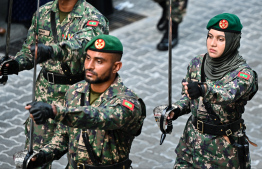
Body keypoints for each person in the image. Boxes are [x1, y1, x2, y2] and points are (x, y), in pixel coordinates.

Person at [0, 0, 109, 168]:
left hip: (80, 97)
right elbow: (31, 51)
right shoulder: (42, 13)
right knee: (35, 158)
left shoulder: (93, 18)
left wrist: (50, 51)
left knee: (82, 159)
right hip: (45, 95)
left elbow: (80, 46)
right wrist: (15, 64)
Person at [25, 34, 146, 169]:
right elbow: (63, 136)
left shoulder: (128, 103)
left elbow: (98, 117)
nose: (89, 66)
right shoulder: (75, 91)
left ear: (116, 67)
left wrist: (54, 111)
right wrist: (42, 156)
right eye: (88, 58)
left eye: (99, 61)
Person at [153, 13, 258, 168]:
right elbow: (189, 98)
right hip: (190, 145)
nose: (212, 43)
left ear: (232, 41)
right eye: (210, 36)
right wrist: (174, 110)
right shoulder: (197, 63)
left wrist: (203, 89)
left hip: (223, 152)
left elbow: (227, 93)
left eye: (220, 39)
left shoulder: (244, 74)